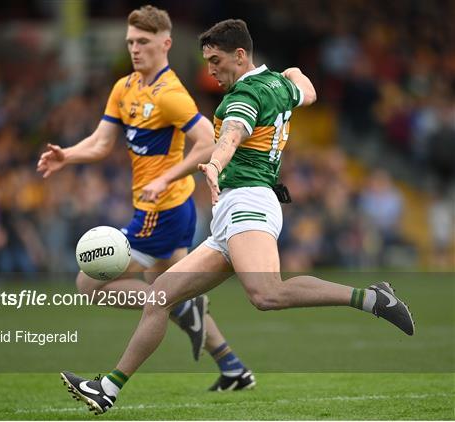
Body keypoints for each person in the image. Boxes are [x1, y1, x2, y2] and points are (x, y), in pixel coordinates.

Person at [60, 18, 417, 414]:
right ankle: (107, 388)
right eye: (207, 61)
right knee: (160, 295)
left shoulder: (241, 98)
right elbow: (308, 91)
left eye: (215, 60)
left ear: (240, 55)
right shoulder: (280, 86)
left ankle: (370, 298)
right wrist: (292, 73)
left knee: (267, 294)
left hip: (247, 203)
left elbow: (231, 135)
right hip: (237, 211)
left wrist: (213, 165)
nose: (209, 69)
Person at [38, 7, 255, 392]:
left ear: (166, 44)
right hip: (165, 207)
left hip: (164, 210)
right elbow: (103, 142)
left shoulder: (170, 94)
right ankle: (233, 366)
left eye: (143, 42)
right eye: (131, 42)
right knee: (172, 288)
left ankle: (179, 310)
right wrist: (67, 155)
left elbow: (207, 141)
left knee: (89, 282)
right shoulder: (124, 88)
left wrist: (166, 177)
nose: (135, 49)